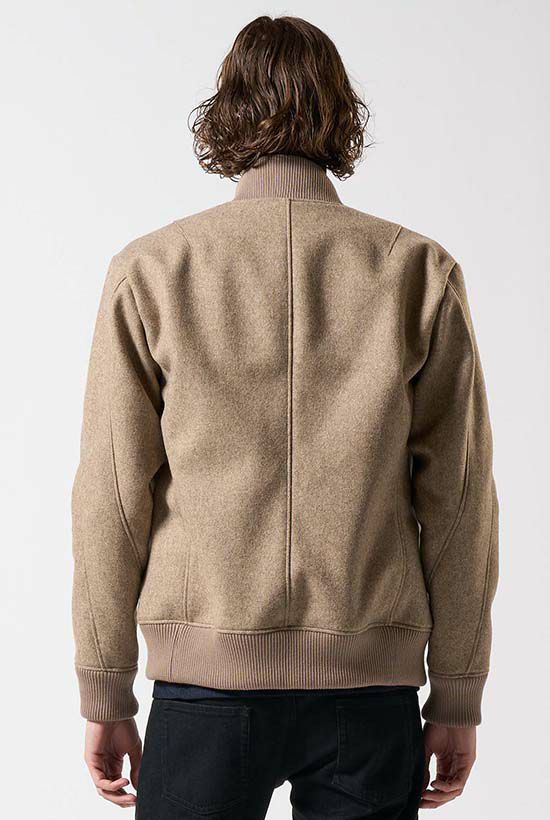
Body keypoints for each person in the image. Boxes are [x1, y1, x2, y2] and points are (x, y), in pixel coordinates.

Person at [72, 15, 499, 819]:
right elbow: (460, 505)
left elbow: (112, 497)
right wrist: (457, 693)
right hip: (369, 698)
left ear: (227, 112)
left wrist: (105, 689)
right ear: (340, 111)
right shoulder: (417, 270)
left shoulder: (153, 270)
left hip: (203, 691)